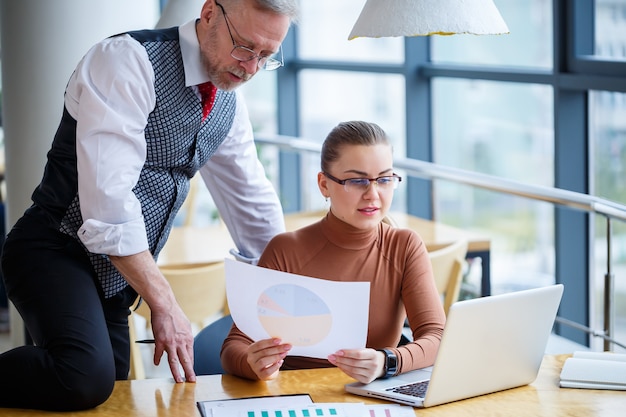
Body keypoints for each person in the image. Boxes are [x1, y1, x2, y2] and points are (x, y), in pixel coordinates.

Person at [0, 0, 298, 411]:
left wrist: (289, 290)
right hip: (53, 249)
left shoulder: (228, 100)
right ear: (210, 13)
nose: (250, 67)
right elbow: (108, 206)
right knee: (84, 377)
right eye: (245, 47)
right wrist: (166, 305)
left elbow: (251, 200)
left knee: (107, 398)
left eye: (266, 57)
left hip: (114, 279)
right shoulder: (126, 61)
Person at [221, 121, 446, 383]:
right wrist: (252, 362)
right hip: (296, 399)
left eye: (384, 180)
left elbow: (437, 337)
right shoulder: (286, 249)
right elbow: (233, 346)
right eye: (357, 181)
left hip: (369, 399)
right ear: (324, 184)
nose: (373, 194)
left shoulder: (404, 246)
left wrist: (387, 361)